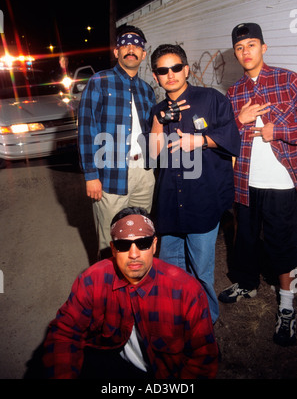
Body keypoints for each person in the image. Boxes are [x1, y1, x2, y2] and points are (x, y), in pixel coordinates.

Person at [42, 207, 218, 379]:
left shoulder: (186, 291)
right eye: (123, 245)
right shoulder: (92, 280)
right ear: (113, 249)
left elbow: (203, 359)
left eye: (143, 243)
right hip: (110, 360)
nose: (134, 254)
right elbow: (64, 333)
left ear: (154, 245)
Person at [148, 44, 241, 324]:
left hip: (202, 203)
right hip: (169, 205)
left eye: (176, 67)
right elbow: (153, 154)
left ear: (186, 69)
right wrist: (158, 120)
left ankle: (205, 326)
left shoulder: (211, 99)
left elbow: (232, 138)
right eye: (163, 71)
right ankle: (178, 323)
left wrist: (199, 140)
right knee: (169, 271)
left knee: (201, 272)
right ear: (156, 77)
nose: (171, 74)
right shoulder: (157, 110)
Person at [218, 22, 297, 347]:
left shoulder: (288, 80)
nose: (245, 52)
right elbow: (225, 138)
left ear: (263, 47)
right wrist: (240, 120)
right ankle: (247, 284)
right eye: (239, 47)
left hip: (281, 181)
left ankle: (288, 306)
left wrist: (276, 131)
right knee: (245, 238)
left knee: (281, 243)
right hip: (245, 180)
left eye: (251, 45)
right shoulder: (234, 92)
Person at [78, 25, 156, 259]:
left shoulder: (147, 90)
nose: (131, 49)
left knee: (141, 236)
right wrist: (91, 175)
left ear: (143, 54)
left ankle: (135, 290)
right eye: (125, 44)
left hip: (143, 173)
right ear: (116, 52)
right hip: (110, 174)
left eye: (137, 46)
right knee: (111, 240)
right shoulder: (99, 81)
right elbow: (86, 128)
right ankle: (109, 293)